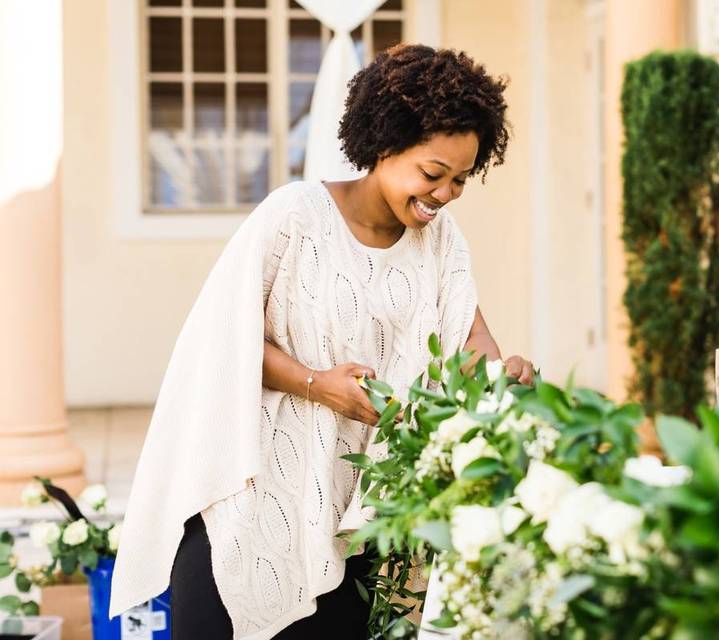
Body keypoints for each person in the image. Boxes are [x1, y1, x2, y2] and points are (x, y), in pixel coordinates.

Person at [108, 43, 534, 639]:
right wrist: (317, 384)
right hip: (255, 500)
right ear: (384, 145)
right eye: (434, 174)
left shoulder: (441, 243)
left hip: (360, 523)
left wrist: (501, 374)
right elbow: (219, 343)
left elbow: (468, 338)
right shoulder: (294, 216)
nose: (446, 194)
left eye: (462, 179)